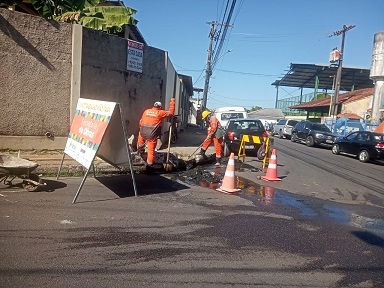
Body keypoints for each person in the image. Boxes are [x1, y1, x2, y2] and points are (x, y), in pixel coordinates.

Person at [137, 98, 175, 167]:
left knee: (140, 143)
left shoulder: (146, 111)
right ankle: (149, 165)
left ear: (154, 106)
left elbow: (141, 122)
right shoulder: (160, 112)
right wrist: (172, 102)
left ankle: (140, 153)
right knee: (151, 151)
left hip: (142, 132)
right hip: (151, 135)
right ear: (160, 107)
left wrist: (142, 129)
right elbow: (171, 113)